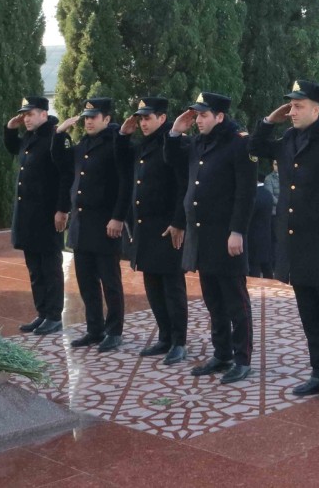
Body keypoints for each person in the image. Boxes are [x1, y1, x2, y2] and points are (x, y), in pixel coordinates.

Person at [249, 79, 319, 403]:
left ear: (316, 108)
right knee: (309, 312)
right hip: (296, 244)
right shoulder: (288, 139)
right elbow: (254, 147)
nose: (292, 111)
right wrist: (270, 120)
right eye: (291, 105)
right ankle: (318, 372)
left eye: (298, 106)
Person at [165, 92, 256, 385]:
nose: (199, 120)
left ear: (220, 117)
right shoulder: (199, 142)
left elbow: (246, 192)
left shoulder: (239, 142)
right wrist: (176, 131)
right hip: (202, 235)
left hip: (227, 235)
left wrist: (237, 231)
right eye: (197, 115)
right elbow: (173, 161)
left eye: (204, 115)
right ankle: (222, 354)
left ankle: (242, 359)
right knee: (213, 301)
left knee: (236, 302)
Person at [51, 97, 129, 350]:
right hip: (82, 225)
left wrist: (118, 217)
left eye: (93, 117)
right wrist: (59, 133)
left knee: (110, 282)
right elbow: (62, 164)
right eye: (86, 117)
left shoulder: (115, 143)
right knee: (86, 281)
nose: (88, 121)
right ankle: (94, 329)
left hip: (105, 224)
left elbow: (124, 185)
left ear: (106, 119)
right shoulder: (84, 143)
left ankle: (114, 331)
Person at [118, 96, 188, 365]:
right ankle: (164, 335)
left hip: (167, 226)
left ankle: (179, 341)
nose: (143, 123)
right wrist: (124, 135)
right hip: (145, 226)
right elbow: (122, 165)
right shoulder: (144, 144)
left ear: (162, 118)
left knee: (172, 286)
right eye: (141, 118)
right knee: (153, 285)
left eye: (148, 118)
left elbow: (184, 184)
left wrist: (179, 221)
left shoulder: (173, 143)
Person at [4, 96, 70, 336]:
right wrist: (11, 129)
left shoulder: (55, 135)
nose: (26, 119)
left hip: (47, 214)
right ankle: (42, 313)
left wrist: (62, 209)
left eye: (30, 114)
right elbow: (14, 148)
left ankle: (54, 315)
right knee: (34, 267)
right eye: (24, 115)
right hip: (28, 215)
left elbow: (65, 176)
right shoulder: (31, 137)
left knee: (50, 267)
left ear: (44, 113)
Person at [249, 178, 276, 279]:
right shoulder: (267, 194)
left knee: (254, 269)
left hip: (253, 236)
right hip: (266, 233)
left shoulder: (254, 195)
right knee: (267, 267)